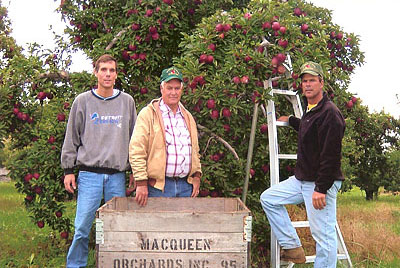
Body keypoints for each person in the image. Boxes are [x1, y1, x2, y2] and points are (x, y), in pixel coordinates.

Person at [260, 61, 345, 267]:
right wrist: (291, 120)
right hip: (302, 180)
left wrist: (321, 189)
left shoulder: (329, 113)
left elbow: (331, 155)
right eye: (305, 81)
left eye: (312, 80)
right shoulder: (312, 109)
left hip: (318, 183)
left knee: (323, 238)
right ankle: (293, 248)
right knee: (269, 199)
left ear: (321, 83)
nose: (308, 85)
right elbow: (310, 131)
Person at [61, 54, 137, 268]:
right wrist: (68, 169)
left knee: (118, 227)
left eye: (111, 70)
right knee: (82, 227)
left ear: (116, 74)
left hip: (117, 175)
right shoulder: (82, 101)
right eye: (103, 69)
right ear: (95, 72)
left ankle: (114, 264)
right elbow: (71, 137)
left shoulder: (127, 102)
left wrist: (135, 172)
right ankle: (75, 265)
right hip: (89, 175)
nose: (107, 74)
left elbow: (134, 140)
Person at [129, 66, 202, 206]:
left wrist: (197, 176)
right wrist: (141, 182)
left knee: (183, 227)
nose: (173, 92)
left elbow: (195, 151)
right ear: (162, 89)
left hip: (186, 187)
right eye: (169, 88)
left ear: (181, 90)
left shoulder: (188, 117)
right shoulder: (148, 114)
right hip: (158, 187)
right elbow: (136, 150)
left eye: (177, 88)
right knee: (157, 227)